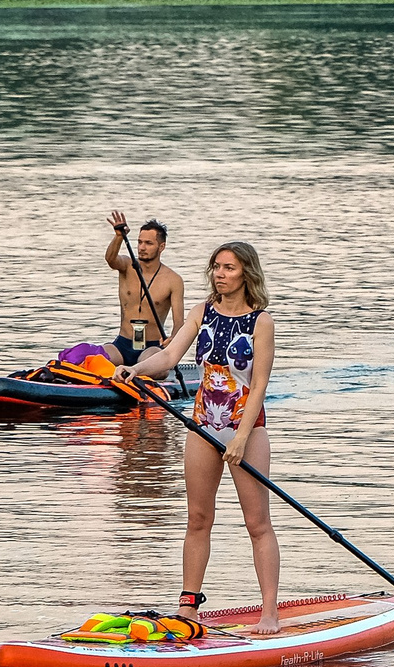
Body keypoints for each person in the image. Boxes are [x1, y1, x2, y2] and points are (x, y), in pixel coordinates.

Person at [117, 242, 282, 635]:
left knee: (257, 523)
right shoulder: (201, 313)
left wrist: (241, 438)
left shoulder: (262, 322)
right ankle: (188, 605)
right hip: (203, 426)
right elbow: (171, 356)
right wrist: (135, 369)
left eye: (228, 268)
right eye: (216, 268)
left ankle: (270, 612)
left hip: (247, 428)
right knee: (198, 518)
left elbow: (259, 386)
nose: (219, 274)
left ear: (246, 274)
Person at [105, 212, 185, 364]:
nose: (142, 247)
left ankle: (153, 369)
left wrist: (172, 344)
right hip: (122, 344)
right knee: (97, 360)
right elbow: (110, 259)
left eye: (148, 243)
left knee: (152, 365)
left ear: (161, 247)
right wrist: (119, 237)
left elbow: (179, 324)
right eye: (140, 242)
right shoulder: (127, 266)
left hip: (152, 347)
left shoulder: (173, 280)